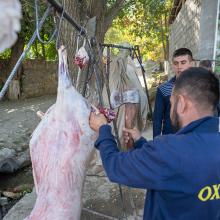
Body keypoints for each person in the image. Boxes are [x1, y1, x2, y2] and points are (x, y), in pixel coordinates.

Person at [89, 67, 220, 220]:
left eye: (171, 103)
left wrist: (103, 129)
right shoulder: (172, 152)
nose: (171, 109)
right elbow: (173, 168)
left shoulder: (169, 150)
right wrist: (141, 142)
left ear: (182, 103)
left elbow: (115, 167)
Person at [153, 48, 193, 138]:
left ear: (191, 64)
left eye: (183, 62)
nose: (179, 66)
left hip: (193, 140)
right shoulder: (164, 89)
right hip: (170, 139)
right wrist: (156, 143)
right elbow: (157, 119)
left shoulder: (201, 87)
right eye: (176, 63)